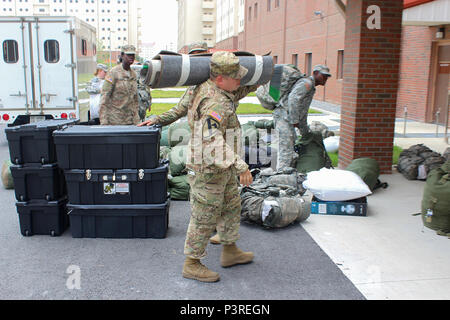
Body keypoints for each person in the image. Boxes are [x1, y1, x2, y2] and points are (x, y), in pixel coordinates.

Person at [180, 51, 257, 283]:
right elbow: (210, 140)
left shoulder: (214, 88)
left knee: (231, 206)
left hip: (221, 168)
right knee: (204, 216)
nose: (240, 80)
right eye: (236, 77)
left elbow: (241, 89)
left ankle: (230, 250)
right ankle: (192, 263)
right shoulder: (216, 103)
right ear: (220, 78)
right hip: (208, 169)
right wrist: (240, 165)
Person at [273, 64, 331, 169]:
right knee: (285, 150)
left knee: (290, 150)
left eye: (327, 76)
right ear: (315, 73)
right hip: (284, 117)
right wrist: (295, 121)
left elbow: (303, 111)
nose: (325, 78)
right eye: (323, 75)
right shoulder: (307, 83)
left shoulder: (311, 87)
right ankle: (280, 177)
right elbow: (293, 99)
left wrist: (305, 132)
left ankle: (287, 174)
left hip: (288, 119)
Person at [99, 45, 140, 125]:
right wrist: (104, 122)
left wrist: (136, 118)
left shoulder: (134, 74)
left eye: (133, 55)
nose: (131, 57)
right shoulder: (113, 73)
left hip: (131, 120)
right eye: (128, 55)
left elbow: (135, 99)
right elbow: (104, 97)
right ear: (122, 55)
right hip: (115, 121)